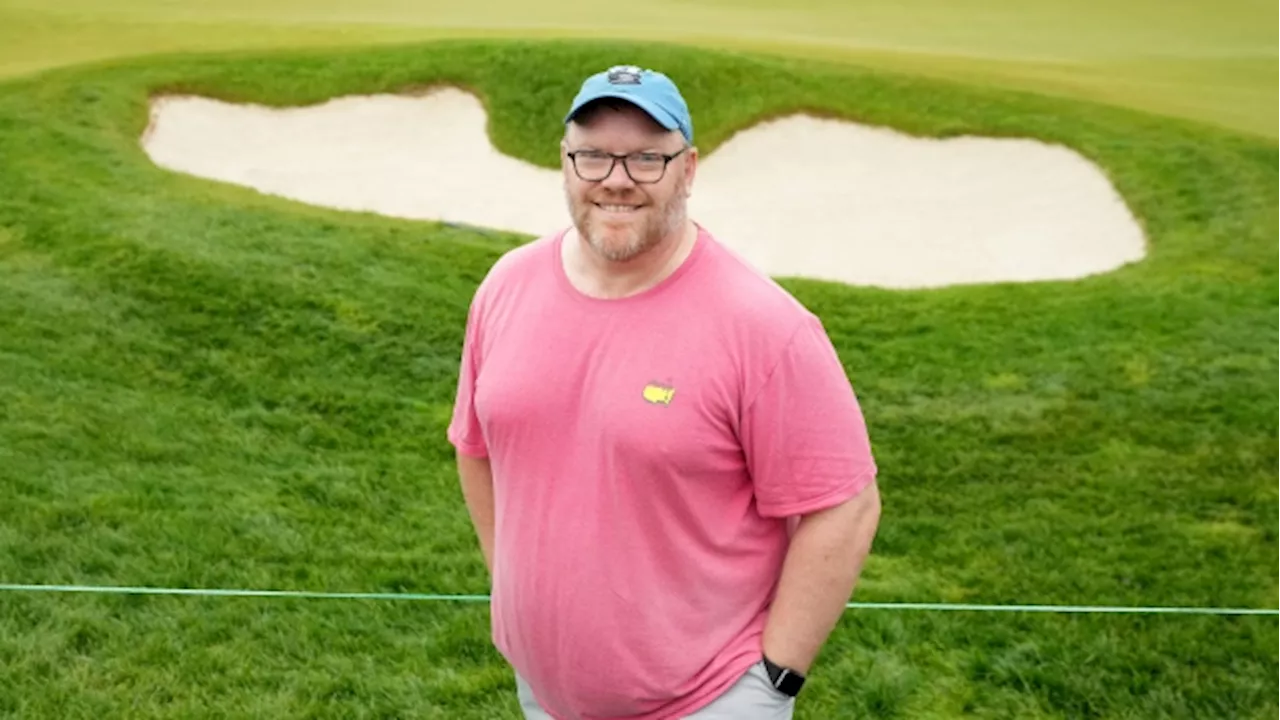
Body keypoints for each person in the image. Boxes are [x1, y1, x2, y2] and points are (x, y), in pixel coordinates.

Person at [447, 64, 882, 720]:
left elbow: (845, 506)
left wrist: (774, 680)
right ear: (565, 164)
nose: (616, 179)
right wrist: (515, 588)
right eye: (592, 155)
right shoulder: (506, 286)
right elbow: (475, 447)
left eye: (647, 158)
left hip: (707, 701)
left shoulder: (764, 326)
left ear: (689, 169)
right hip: (542, 692)